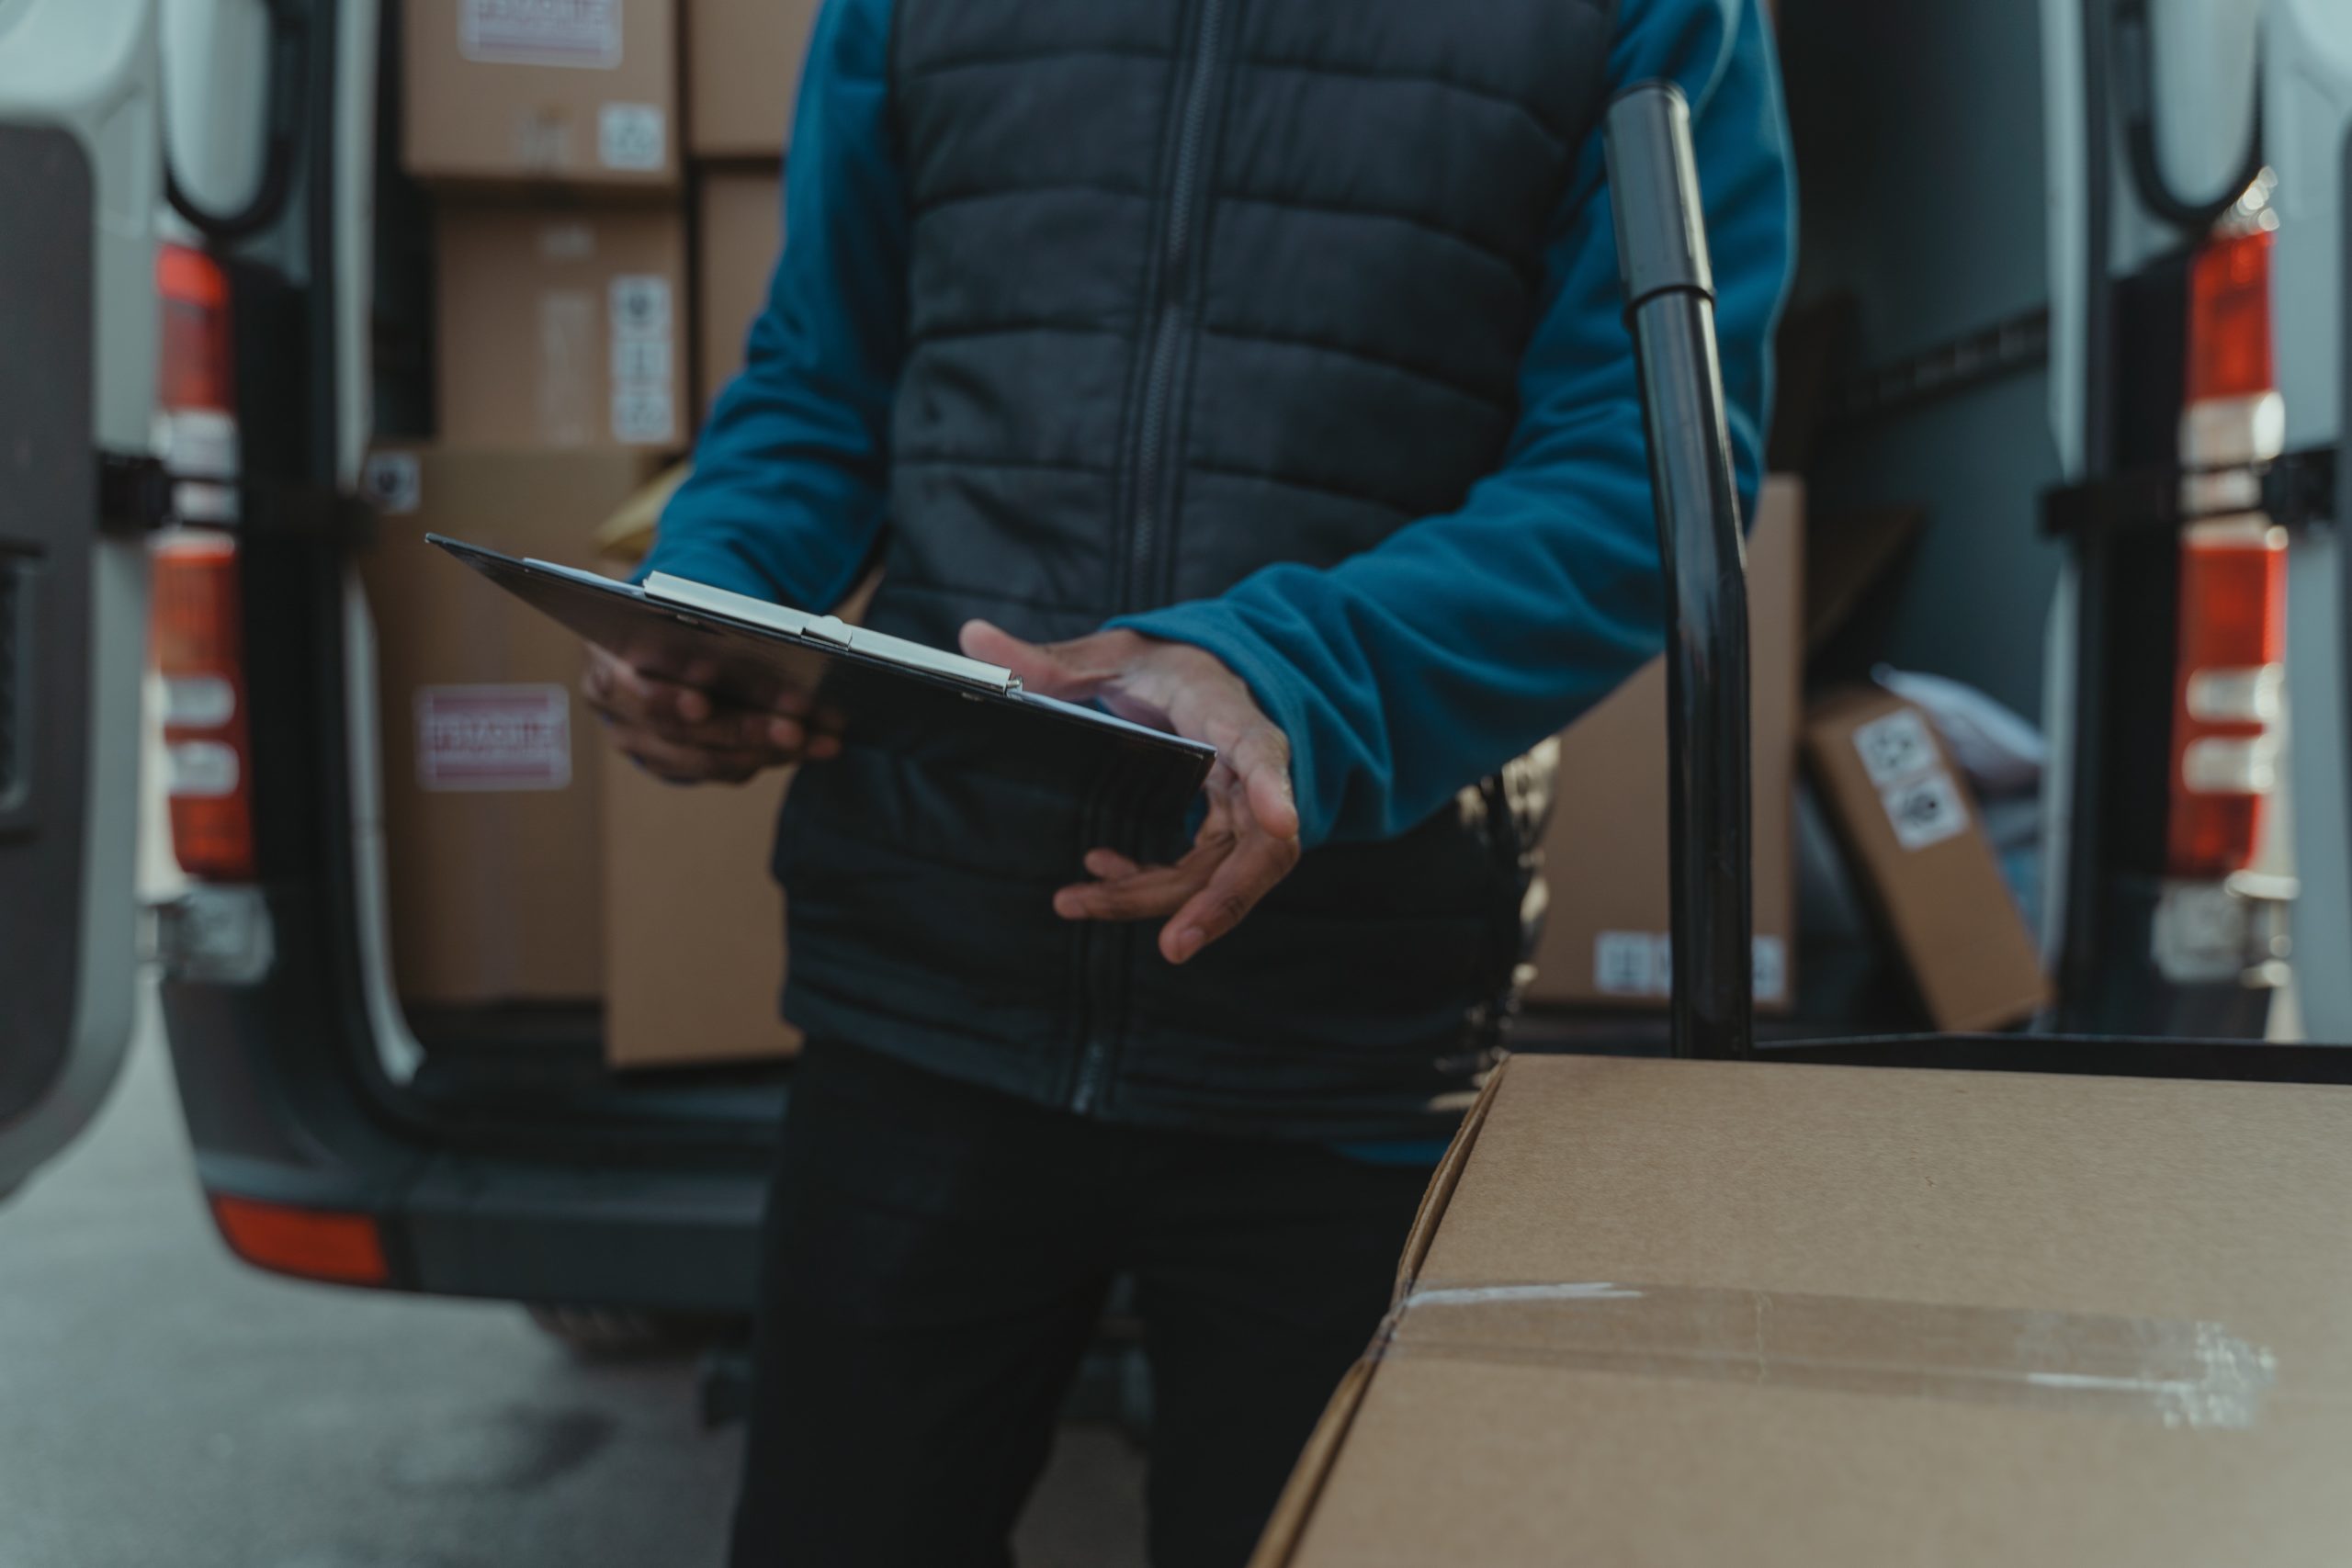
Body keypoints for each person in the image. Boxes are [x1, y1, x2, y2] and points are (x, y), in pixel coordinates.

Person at [583, 0, 1792, 1562]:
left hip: (1346, 1026)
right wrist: (714, 604)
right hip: (924, 985)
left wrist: (1288, 672)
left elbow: (1643, 481)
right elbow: (823, 382)